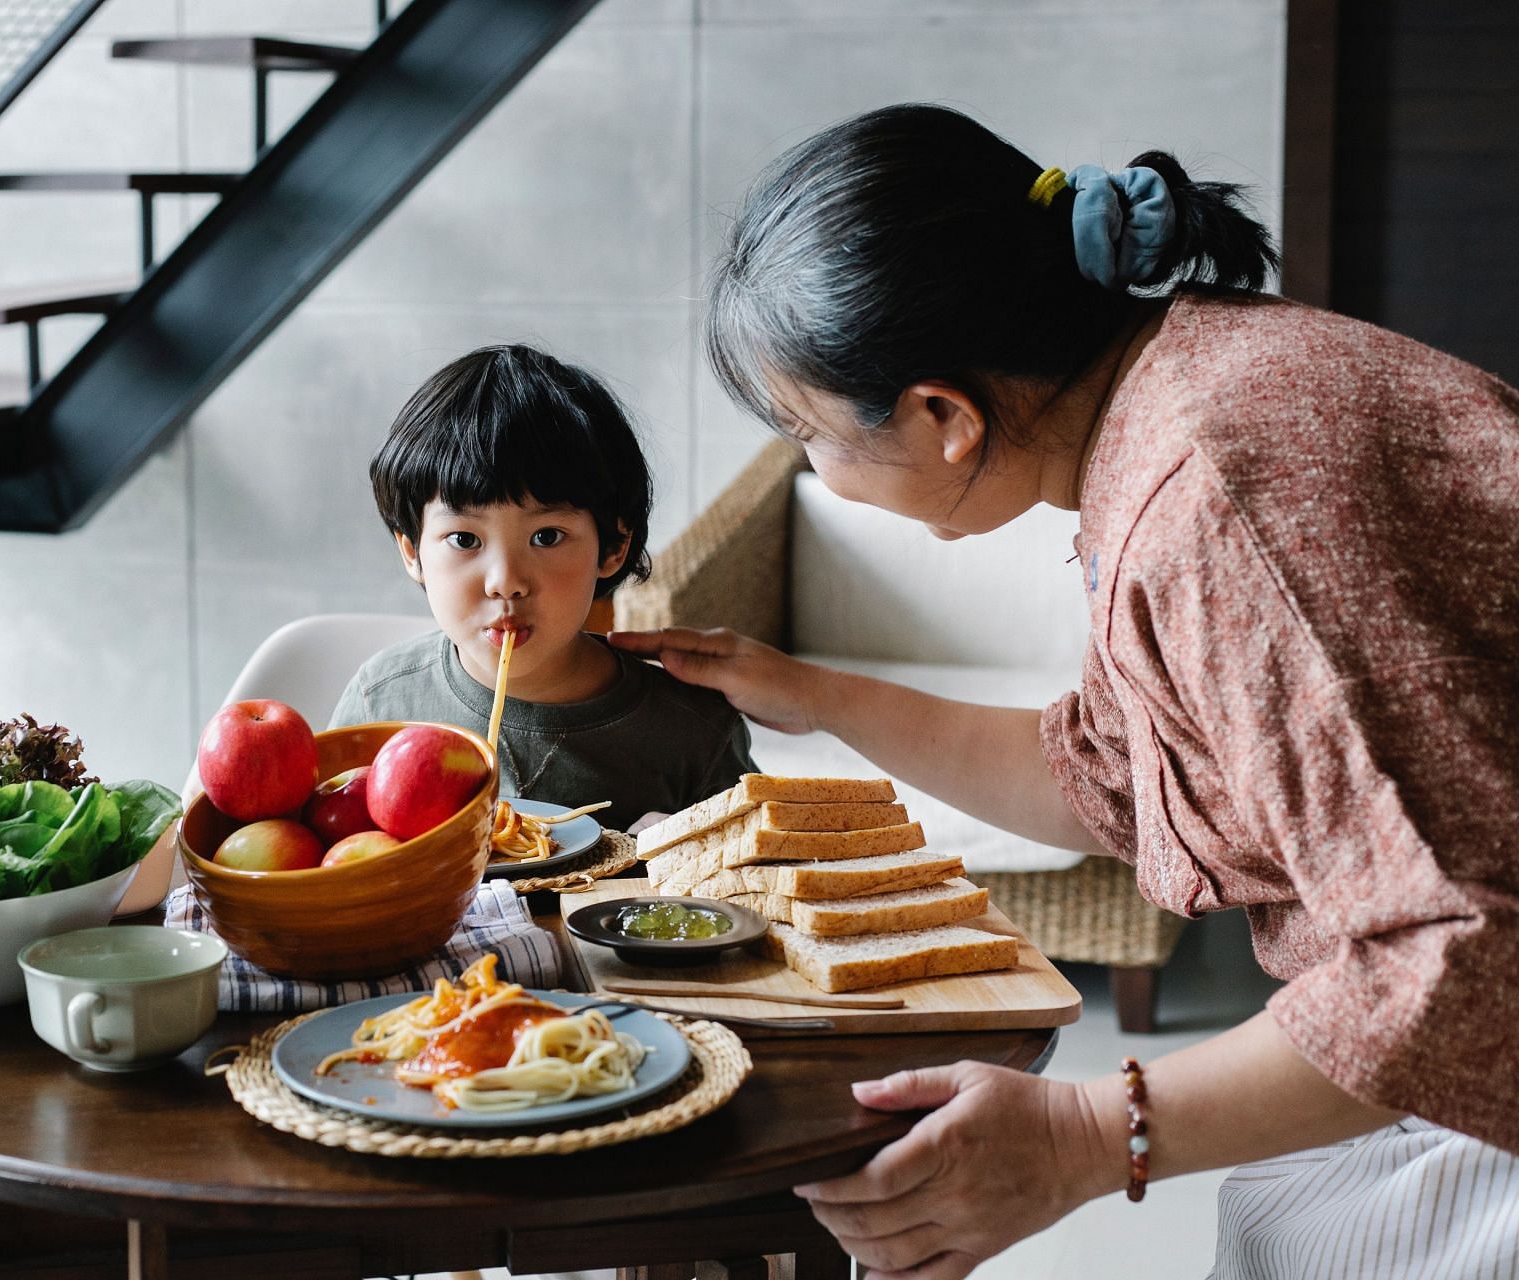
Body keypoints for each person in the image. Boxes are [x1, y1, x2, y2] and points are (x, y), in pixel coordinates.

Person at [611, 103, 1519, 1277]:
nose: (812, 471)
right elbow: (1111, 772)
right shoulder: (1178, 384)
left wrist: (1086, 1134)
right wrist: (811, 691)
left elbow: (1465, 963)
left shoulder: (1221, 499)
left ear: (942, 415)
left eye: (808, 430)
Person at [332, 343, 756, 833]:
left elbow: (753, 878)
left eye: (546, 537)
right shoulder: (381, 703)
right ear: (413, 552)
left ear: (614, 545)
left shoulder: (692, 730)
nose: (506, 581)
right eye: (465, 539)